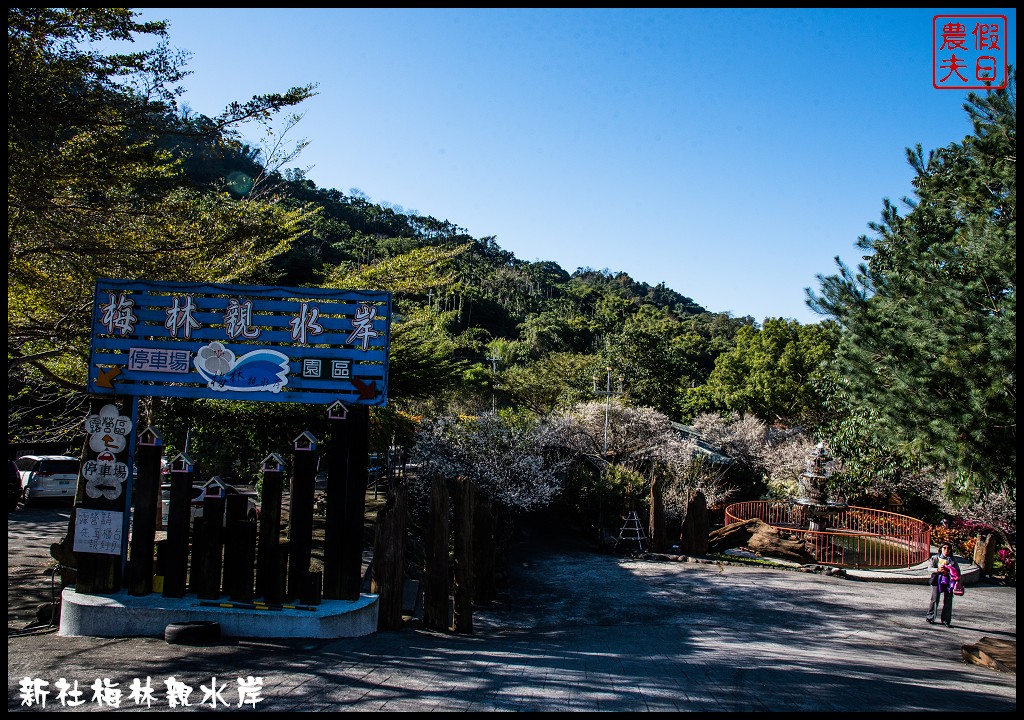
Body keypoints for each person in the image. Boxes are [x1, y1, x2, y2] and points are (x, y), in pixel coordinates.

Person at [925, 544, 960, 626]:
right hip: (937, 580)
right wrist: (937, 569)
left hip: (949, 581)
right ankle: (930, 617)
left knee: (948, 600)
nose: (946, 550)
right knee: (935, 599)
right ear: (941, 549)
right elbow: (929, 568)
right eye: (944, 548)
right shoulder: (935, 558)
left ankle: (946, 620)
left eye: (948, 548)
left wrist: (952, 573)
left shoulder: (953, 560)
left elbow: (958, 571)